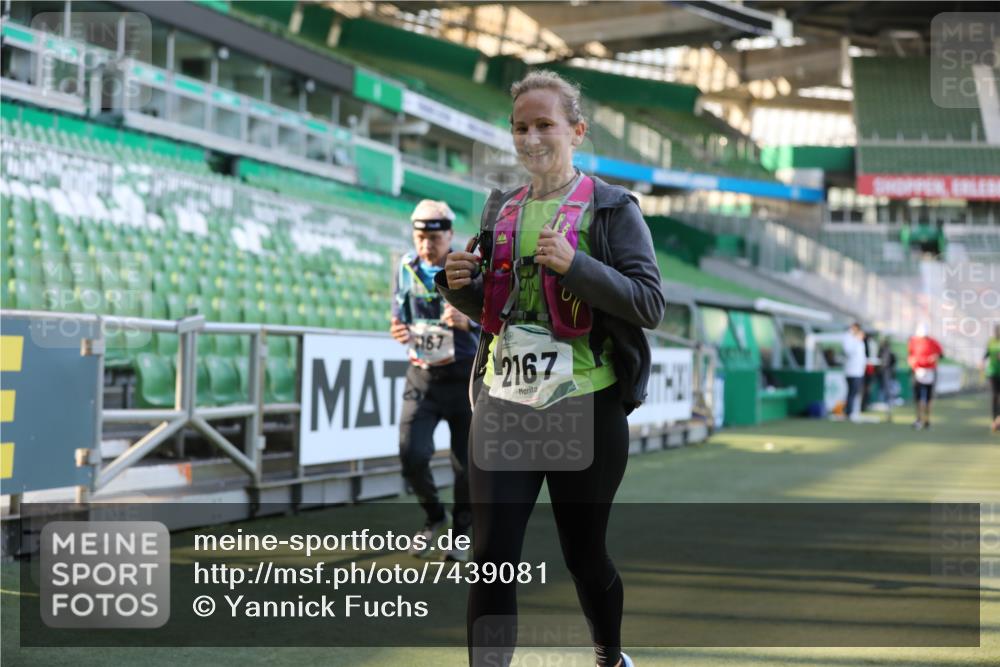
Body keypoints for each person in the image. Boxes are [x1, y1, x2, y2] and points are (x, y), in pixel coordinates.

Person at [437, 70, 662, 667]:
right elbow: (495, 311)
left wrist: (576, 265)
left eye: (544, 125)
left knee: (584, 556)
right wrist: (458, 284)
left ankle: (609, 655)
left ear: (577, 131)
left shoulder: (613, 208)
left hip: (584, 409)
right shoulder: (500, 207)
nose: (530, 137)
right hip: (504, 403)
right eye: (519, 127)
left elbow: (648, 303)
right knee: (492, 557)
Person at [390, 199, 476, 561]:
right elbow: (399, 311)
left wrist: (469, 321)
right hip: (422, 376)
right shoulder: (405, 267)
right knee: (411, 453)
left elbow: (496, 317)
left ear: (450, 236)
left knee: (465, 464)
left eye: (434, 238)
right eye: (420, 236)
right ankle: (433, 517)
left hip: (465, 377)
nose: (426, 244)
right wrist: (397, 328)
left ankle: (461, 532)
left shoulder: (469, 268)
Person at [908, 322, 943, 430]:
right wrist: (911, 361)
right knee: (918, 397)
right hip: (917, 371)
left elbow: (941, 354)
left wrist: (934, 357)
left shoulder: (933, 342)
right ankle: (918, 419)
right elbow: (910, 355)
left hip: (930, 371)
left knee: (928, 398)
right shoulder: (913, 341)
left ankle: (927, 420)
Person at [841, 323, 867, 422]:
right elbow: (848, 351)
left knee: (854, 393)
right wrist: (855, 338)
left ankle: (851, 411)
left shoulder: (859, 343)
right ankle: (849, 412)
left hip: (858, 371)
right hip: (852, 371)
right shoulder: (850, 339)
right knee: (852, 393)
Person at [982, 325, 1000, 433]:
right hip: (993, 372)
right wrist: (982, 361)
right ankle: (994, 420)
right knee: (994, 396)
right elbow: (987, 354)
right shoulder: (991, 342)